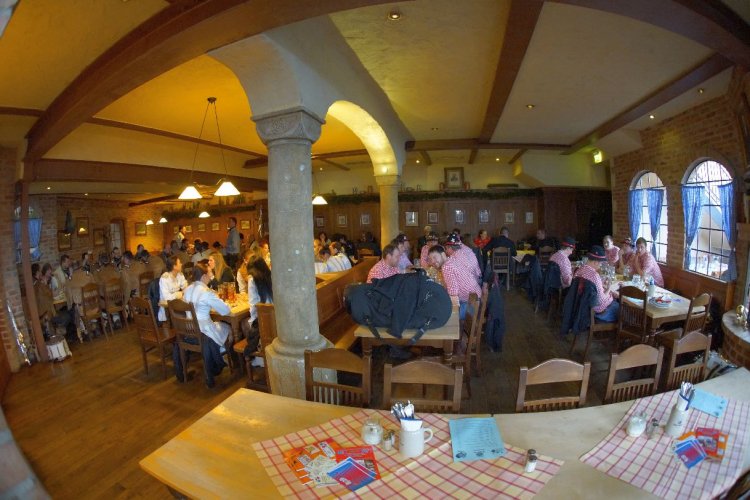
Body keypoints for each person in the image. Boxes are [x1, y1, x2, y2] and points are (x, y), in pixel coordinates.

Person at [178, 261, 232, 388]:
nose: (210, 276)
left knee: (219, 326)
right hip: (204, 331)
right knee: (229, 328)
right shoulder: (206, 292)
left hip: (188, 331)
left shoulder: (187, 290)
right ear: (203, 276)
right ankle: (225, 359)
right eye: (209, 274)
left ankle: (217, 354)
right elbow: (225, 311)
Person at [429, 241, 481, 320]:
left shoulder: (446, 267)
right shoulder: (451, 260)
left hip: (471, 306)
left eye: (435, 257)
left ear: (443, 254)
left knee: (439, 315)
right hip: (475, 299)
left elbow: (453, 294)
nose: (432, 261)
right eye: (430, 259)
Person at [574, 245, 620, 322]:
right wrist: (609, 289)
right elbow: (600, 300)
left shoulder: (579, 270)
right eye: (600, 263)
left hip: (583, 307)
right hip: (600, 312)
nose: (600, 266)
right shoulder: (595, 276)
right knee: (624, 310)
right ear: (595, 262)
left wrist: (601, 285)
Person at [243, 256, 273, 367]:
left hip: (263, 319)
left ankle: (255, 354)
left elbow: (253, 305)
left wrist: (252, 322)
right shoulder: (271, 275)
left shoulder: (252, 280)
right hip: (275, 317)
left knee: (244, 324)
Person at [158, 256, 187, 322]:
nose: (181, 264)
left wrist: (184, 291)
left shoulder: (180, 275)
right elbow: (166, 297)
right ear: (174, 266)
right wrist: (179, 294)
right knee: (189, 313)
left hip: (178, 306)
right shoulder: (165, 278)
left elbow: (185, 287)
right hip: (167, 309)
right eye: (179, 263)